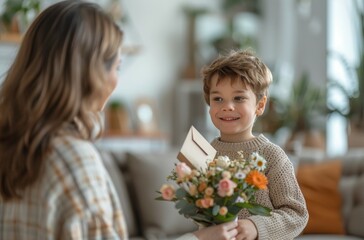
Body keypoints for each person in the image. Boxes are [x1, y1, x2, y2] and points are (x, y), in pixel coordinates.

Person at [0, 1, 128, 239]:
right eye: (117, 67)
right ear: (94, 73)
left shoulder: (11, 144)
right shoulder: (75, 159)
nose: (116, 80)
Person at [200, 49, 309, 240]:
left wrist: (256, 227)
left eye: (239, 98)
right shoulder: (203, 153)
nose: (227, 106)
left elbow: (297, 214)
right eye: (218, 99)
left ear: (260, 105)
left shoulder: (271, 155)